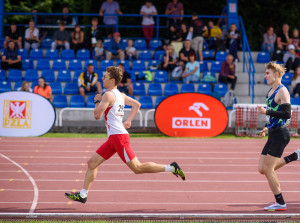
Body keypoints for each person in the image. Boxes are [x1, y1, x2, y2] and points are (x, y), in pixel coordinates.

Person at [65, 66, 185, 203]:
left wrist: (97, 101)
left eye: (105, 76)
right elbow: (137, 105)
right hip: (113, 138)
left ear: (112, 80)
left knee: (138, 168)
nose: (102, 78)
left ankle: (171, 167)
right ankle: (83, 194)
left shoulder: (108, 95)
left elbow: (97, 115)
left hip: (119, 138)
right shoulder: (120, 95)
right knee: (92, 163)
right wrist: (128, 121)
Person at [257, 61, 300, 211]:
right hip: (272, 133)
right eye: (265, 73)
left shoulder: (283, 91)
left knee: (269, 170)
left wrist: (266, 112)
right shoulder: (269, 92)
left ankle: (280, 202)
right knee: (262, 168)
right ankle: (293, 157)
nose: (265, 76)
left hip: (281, 134)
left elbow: (287, 113)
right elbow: (273, 115)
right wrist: (265, 127)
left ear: (276, 75)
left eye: (267, 73)